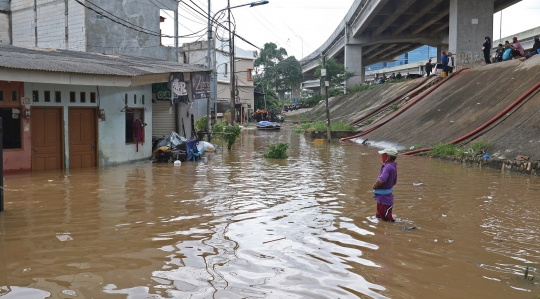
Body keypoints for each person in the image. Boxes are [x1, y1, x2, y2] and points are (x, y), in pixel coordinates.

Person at [373, 147, 398, 222]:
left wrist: (374, 186)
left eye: (384, 155)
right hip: (383, 198)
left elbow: (381, 181)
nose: (382, 157)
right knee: (379, 217)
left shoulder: (388, 167)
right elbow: (394, 182)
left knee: (387, 221)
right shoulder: (393, 166)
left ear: (388, 156)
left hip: (384, 200)